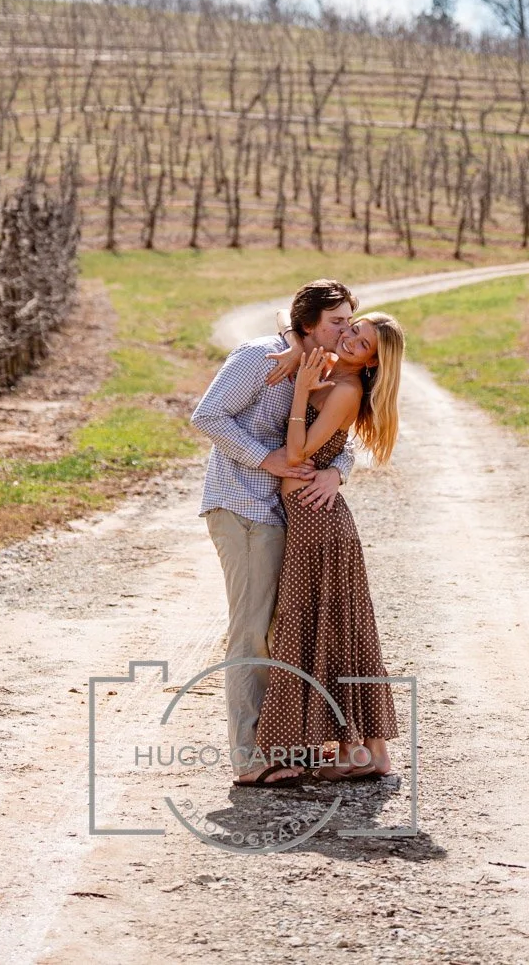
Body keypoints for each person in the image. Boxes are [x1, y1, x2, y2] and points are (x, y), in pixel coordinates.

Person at [192, 279, 358, 787]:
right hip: (243, 506)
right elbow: (207, 416)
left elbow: (338, 437)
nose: (346, 330)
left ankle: (283, 746)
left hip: (287, 513)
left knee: (279, 632)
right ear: (307, 324)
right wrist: (265, 458)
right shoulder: (260, 358)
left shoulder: (325, 369)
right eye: (337, 322)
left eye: (351, 320)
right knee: (251, 630)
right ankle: (249, 758)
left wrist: (338, 471)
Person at [254, 311, 404, 782]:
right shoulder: (328, 372)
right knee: (340, 629)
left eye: (363, 343)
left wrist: (300, 390)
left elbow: (296, 456)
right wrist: (300, 350)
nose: (351, 339)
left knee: (318, 631)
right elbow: (288, 315)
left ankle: (350, 750)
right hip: (311, 518)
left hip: (319, 524)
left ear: (374, 361)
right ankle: (369, 752)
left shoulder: (344, 391)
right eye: (353, 329)